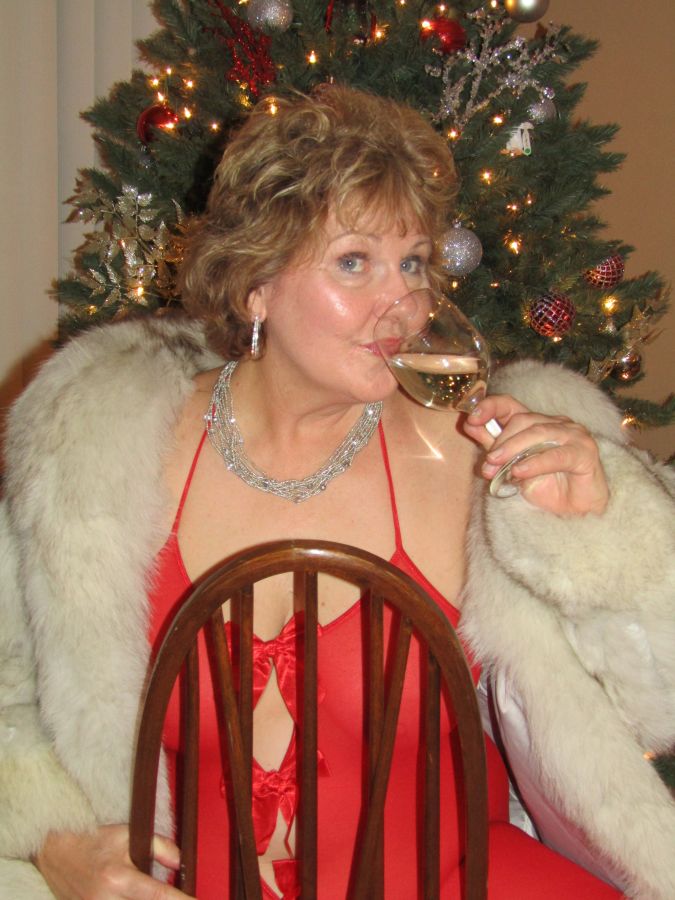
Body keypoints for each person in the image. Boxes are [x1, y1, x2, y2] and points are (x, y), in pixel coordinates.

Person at [0, 85, 673, 899]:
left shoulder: (478, 457)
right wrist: (57, 841)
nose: (403, 304)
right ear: (255, 281)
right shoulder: (101, 452)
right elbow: (10, 695)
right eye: (354, 262)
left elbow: (651, 709)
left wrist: (600, 540)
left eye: (413, 263)